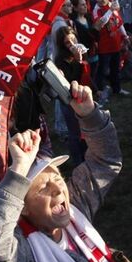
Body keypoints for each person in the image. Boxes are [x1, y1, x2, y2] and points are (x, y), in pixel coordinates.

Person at [0, 81, 128, 262]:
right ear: (21, 207)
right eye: (43, 187)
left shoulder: (76, 208)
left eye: (58, 177)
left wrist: (90, 115)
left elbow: (105, 162)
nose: (57, 188)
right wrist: (18, 172)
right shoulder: (24, 261)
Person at [52, 25, 92, 166]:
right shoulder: (60, 60)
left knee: (87, 131)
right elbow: (71, 81)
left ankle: (89, 158)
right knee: (75, 134)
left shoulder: (80, 50)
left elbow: (87, 75)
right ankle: (79, 163)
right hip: (70, 101)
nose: (73, 44)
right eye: (68, 43)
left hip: (84, 97)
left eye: (73, 39)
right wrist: (78, 60)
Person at [92, 0, 129, 105]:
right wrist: (110, 10)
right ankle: (101, 92)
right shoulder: (96, 10)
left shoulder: (113, 6)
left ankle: (117, 89)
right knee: (102, 70)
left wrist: (125, 36)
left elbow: (119, 22)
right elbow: (101, 23)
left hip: (116, 44)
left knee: (115, 68)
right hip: (104, 46)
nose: (99, 0)